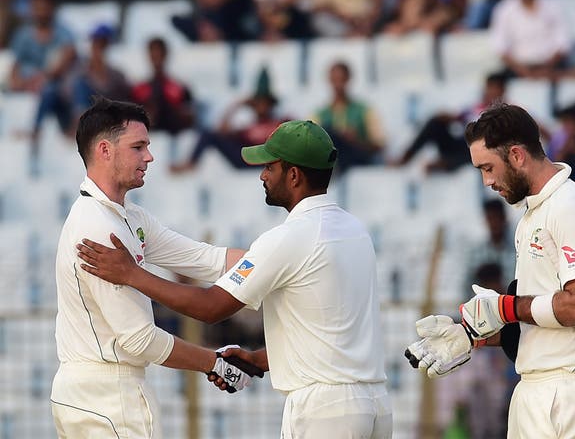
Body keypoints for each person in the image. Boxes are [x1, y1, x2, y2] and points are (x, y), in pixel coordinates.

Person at [76, 120, 393, 438]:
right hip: (375, 403)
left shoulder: (289, 238)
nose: (262, 175)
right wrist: (259, 360)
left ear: (294, 175)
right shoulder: (354, 231)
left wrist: (132, 274)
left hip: (326, 410)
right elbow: (333, 333)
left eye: (270, 166)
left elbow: (211, 307)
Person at [405, 103, 575, 438]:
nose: (487, 181)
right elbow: (539, 321)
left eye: (488, 168)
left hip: (572, 394)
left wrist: (505, 306)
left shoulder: (570, 208)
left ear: (517, 155)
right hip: (534, 389)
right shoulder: (531, 215)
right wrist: (474, 335)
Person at [51, 97, 248, 438]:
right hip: (110, 396)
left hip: (96, 393)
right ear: (104, 150)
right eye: (138, 147)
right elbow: (139, 340)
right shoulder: (98, 226)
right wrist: (215, 363)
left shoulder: (128, 217)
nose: (150, 156)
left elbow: (206, 259)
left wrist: (278, 262)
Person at [170, 67, 288, 171]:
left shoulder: (280, 123)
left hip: (270, 161)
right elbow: (222, 130)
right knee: (208, 134)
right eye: (258, 103)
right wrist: (237, 105)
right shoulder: (248, 128)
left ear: (271, 104)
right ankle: (191, 163)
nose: (261, 107)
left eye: (265, 103)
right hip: (246, 160)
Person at [392, 72, 507, 173]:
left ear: (502, 90)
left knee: (479, 149)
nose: (490, 91)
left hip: (484, 148)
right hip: (463, 143)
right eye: (489, 87)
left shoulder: (507, 111)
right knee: (435, 123)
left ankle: (445, 163)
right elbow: (458, 118)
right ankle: (406, 158)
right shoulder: (474, 107)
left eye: (494, 88)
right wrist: (446, 117)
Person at [8, 0, 76, 142]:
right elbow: (15, 69)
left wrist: (42, 79)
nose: (40, 10)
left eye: (44, 5)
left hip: (54, 88)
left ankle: (36, 131)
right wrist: (23, 83)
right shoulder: (23, 35)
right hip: (29, 84)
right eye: (36, 5)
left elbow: (64, 61)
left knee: (51, 90)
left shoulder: (63, 34)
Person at [490, 0, 570, 79]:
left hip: (551, 66)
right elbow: (500, 47)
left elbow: (563, 43)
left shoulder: (554, 4)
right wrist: (523, 71)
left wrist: (546, 68)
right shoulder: (504, 9)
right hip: (518, 69)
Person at [309, 61, 385, 172]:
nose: (338, 85)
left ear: (348, 80)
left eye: (342, 80)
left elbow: (379, 145)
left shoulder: (365, 111)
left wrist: (356, 141)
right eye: (335, 80)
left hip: (357, 158)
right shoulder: (319, 114)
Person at [131, 37, 196, 136]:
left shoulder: (179, 88)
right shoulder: (140, 89)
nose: (156, 59)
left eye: (159, 55)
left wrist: (178, 112)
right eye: (153, 55)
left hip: (174, 132)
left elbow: (190, 117)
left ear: (165, 55)